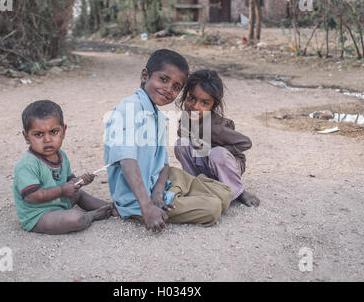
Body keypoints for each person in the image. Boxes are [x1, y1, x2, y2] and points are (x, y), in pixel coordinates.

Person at [104, 49, 232, 232]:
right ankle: (168, 196)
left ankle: (171, 193)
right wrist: (148, 206)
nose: (168, 89)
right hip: (137, 199)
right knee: (212, 208)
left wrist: (158, 193)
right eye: (163, 79)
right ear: (145, 75)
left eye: (176, 87)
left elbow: (163, 162)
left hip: (158, 183)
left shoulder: (157, 116)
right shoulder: (129, 109)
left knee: (225, 194)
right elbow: (127, 161)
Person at [13, 100, 114, 234]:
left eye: (54, 132)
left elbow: (68, 181)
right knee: (75, 219)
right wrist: (62, 191)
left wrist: (80, 181)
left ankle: (112, 208)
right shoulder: (27, 164)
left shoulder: (61, 155)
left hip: (59, 203)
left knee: (78, 193)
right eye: (38, 134)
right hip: (39, 214)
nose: (47, 139)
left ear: (64, 131)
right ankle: (93, 215)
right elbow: (31, 196)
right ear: (26, 137)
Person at [175, 69, 260, 207]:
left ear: (213, 105)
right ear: (185, 95)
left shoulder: (215, 127)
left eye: (204, 103)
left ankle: (237, 191)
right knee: (181, 144)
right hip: (207, 164)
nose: (196, 106)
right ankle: (196, 184)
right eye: (191, 98)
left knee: (217, 153)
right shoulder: (187, 118)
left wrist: (218, 148)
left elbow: (246, 143)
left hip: (228, 165)